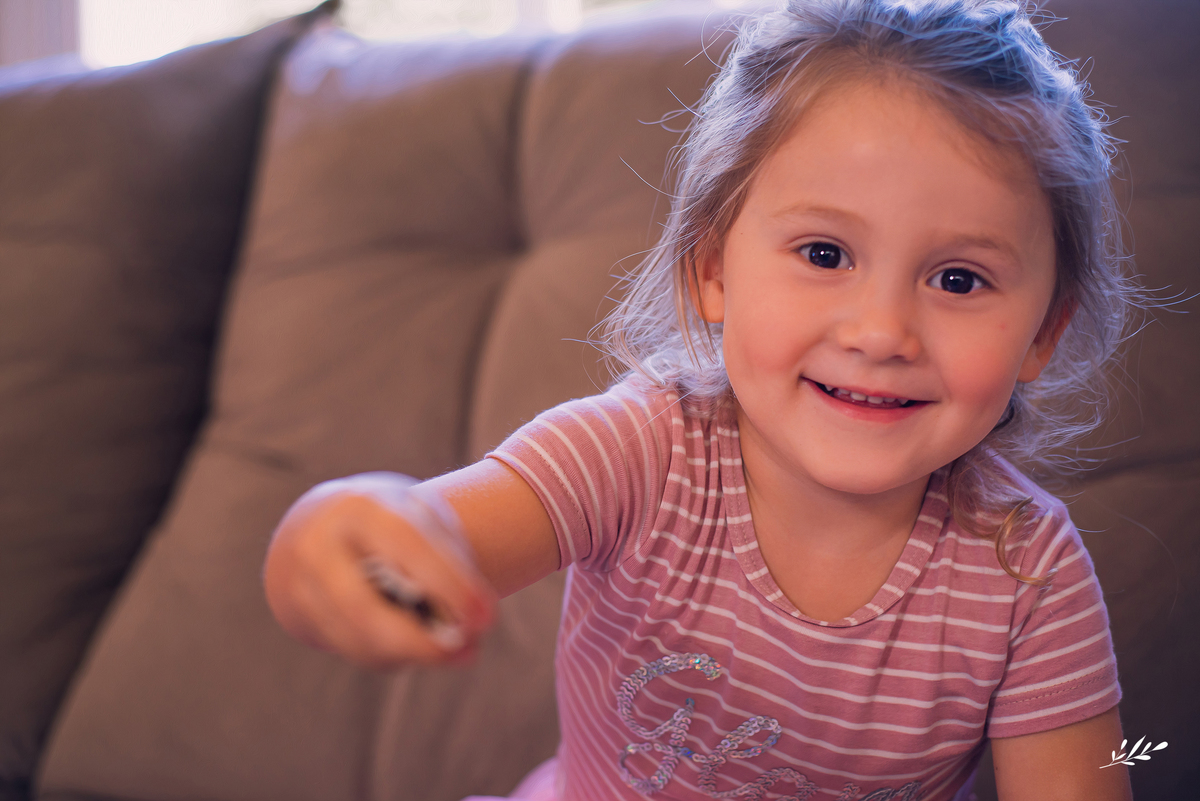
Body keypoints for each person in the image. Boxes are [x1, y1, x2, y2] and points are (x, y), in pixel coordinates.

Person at [263, 1, 1145, 798]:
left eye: (959, 277)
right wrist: (345, 530)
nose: (882, 332)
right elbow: (430, 531)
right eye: (825, 254)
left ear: (1041, 333)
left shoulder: (1032, 575)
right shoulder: (641, 448)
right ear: (713, 268)